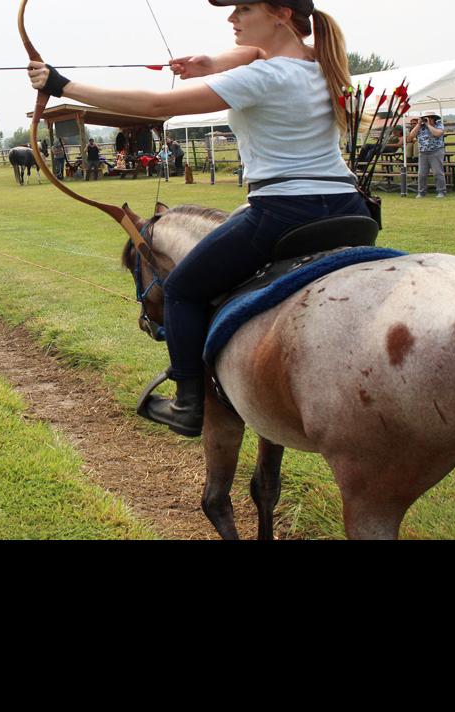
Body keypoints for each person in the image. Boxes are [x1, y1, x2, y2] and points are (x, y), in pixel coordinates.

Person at [29, 0, 366, 437]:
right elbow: (254, 52)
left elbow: (154, 105)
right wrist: (208, 63)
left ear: (281, 13)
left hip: (284, 211)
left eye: (244, 8)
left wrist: (62, 84)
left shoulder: (264, 76)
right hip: (350, 207)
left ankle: (189, 404)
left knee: (183, 289)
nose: (232, 19)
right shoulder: (321, 59)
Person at [406, 112, 446, 198]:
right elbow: (410, 137)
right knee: (422, 174)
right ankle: (421, 192)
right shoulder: (420, 126)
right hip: (423, 153)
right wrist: (418, 124)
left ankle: (441, 191)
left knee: (438, 172)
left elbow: (437, 133)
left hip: (436, 151)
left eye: (428, 118)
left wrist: (428, 125)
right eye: (425, 118)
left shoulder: (439, 125)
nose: (426, 119)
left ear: (433, 119)